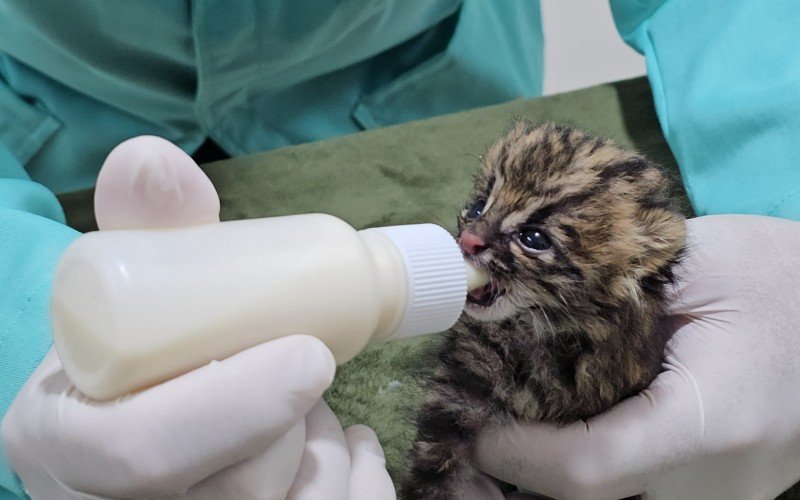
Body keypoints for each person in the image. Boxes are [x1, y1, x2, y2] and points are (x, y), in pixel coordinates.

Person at [1, 1, 799, 498]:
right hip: (45, 125)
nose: (471, 240)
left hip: (410, 83)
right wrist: (22, 326)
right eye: (482, 217)